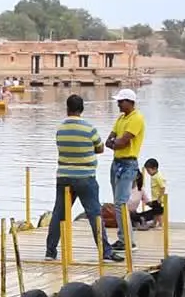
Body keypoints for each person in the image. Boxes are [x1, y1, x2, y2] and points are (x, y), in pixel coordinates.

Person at [46, 94, 122, 262]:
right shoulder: (89, 128)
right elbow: (100, 148)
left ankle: (50, 252)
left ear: (67, 108)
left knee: (59, 214)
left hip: (63, 176)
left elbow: (62, 147)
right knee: (95, 214)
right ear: (82, 109)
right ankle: (106, 252)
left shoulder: (60, 128)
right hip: (85, 177)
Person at [106, 88, 146, 251]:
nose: (118, 104)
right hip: (116, 162)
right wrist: (115, 141)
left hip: (128, 163)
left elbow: (122, 142)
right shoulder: (121, 118)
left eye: (121, 101)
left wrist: (115, 142)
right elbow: (109, 140)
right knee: (117, 202)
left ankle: (128, 241)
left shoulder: (137, 119)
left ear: (130, 102)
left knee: (121, 203)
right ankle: (123, 238)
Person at [141, 157, 166, 226]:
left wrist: (159, 198)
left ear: (154, 168)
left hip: (158, 199)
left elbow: (163, 187)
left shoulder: (158, 177)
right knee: (155, 211)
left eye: (149, 171)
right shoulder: (154, 176)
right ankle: (154, 222)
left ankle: (161, 224)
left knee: (159, 212)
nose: (148, 173)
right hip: (154, 198)